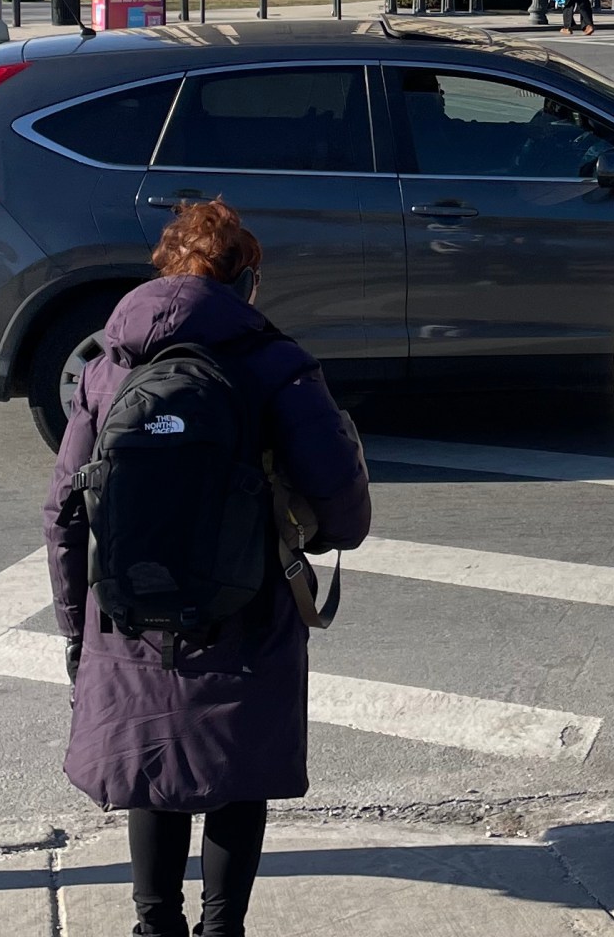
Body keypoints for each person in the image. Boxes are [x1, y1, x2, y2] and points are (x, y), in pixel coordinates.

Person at [44, 201, 371, 937]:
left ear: (164, 272)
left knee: (151, 775)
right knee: (236, 773)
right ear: (245, 280)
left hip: (129, 613)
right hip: (246, 606)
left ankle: (154, 925)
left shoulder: (105, 370)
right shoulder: (277, 366)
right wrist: (321, 540)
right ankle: (222, 928)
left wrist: (76, 627)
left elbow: (64, 511)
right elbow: (342, 498)